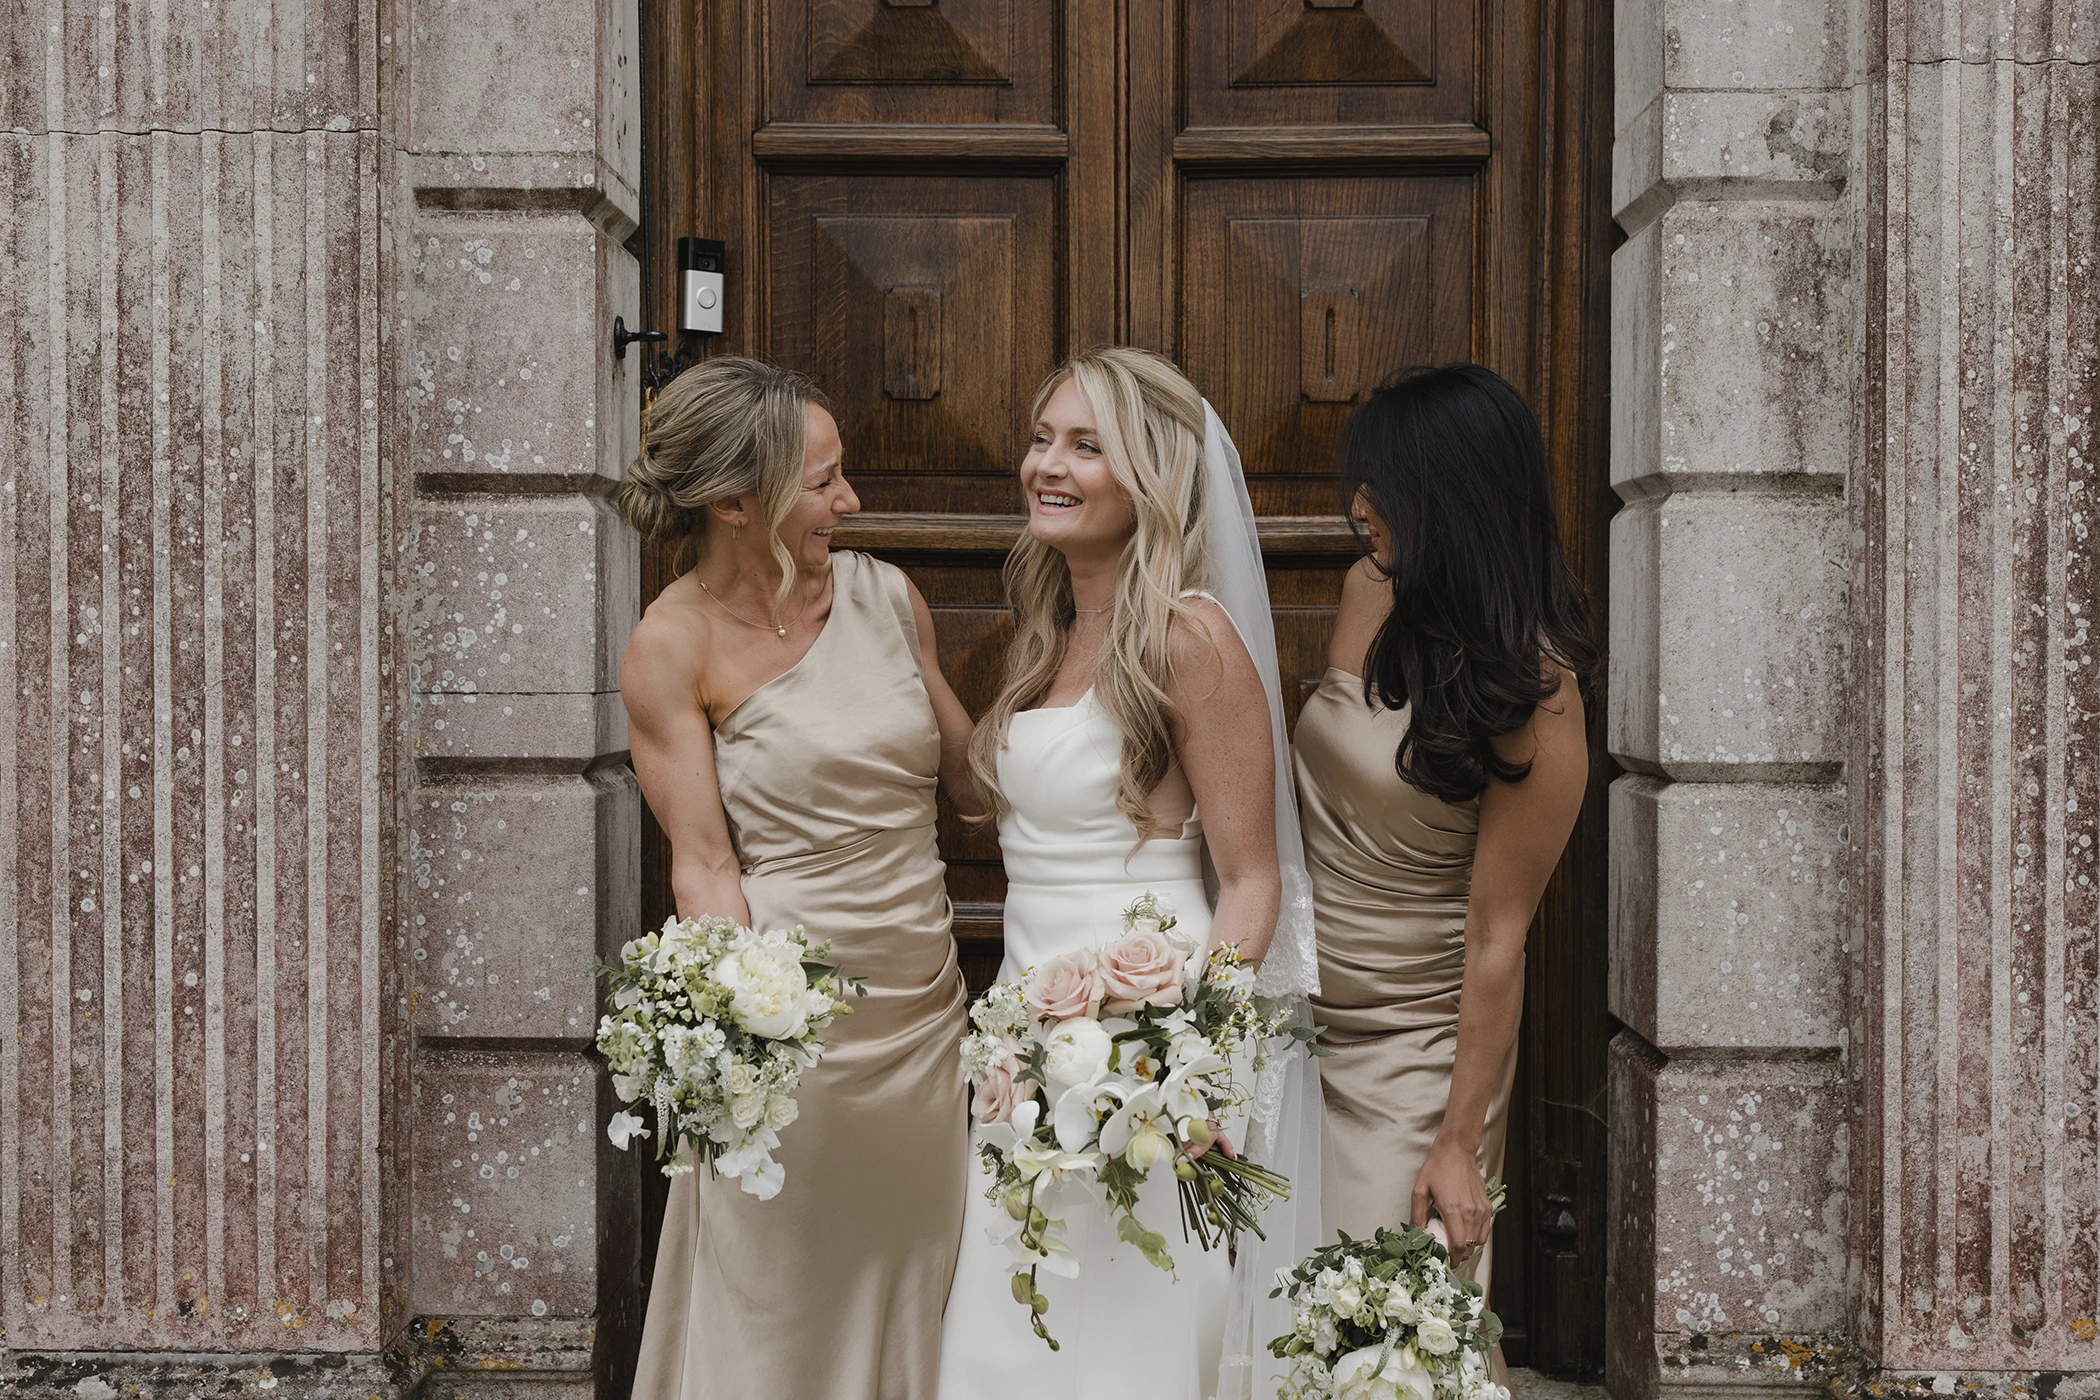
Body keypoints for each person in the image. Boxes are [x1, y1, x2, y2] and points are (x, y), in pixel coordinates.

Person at [936, 347, 1323, 1400]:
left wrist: (1173, 1058)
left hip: (1144, 1063)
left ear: (1148, 471)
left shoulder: (1188, 636)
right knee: (1007, 1330)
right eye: (1041, 437)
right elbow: (1006, 810)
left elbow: (1251, 882)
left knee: (1128, 1342)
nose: (1043, 464)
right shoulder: (1052, 630)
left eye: (1084, 445)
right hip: (1023, 1046)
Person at [618, 357, 978, 1400]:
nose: (849, 500)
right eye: (823, 480)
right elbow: (705, 859)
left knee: (917, 1277)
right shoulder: (670, 643)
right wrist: (744, 1051)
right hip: (799, 1027)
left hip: (918, 1017)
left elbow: (971, 784)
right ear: (736, 501)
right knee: (779, 1297)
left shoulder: (887, 594)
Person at [1294, 364, 1594, 1371]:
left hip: (1416, 1048)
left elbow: (1498, 934)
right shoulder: (1368, 589)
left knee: (1382, 1336)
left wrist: (1459, 1136)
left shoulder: (1539, 692)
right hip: (1293, 1019)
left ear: (1453, 498)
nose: (1357, 506)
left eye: (1384, 486)